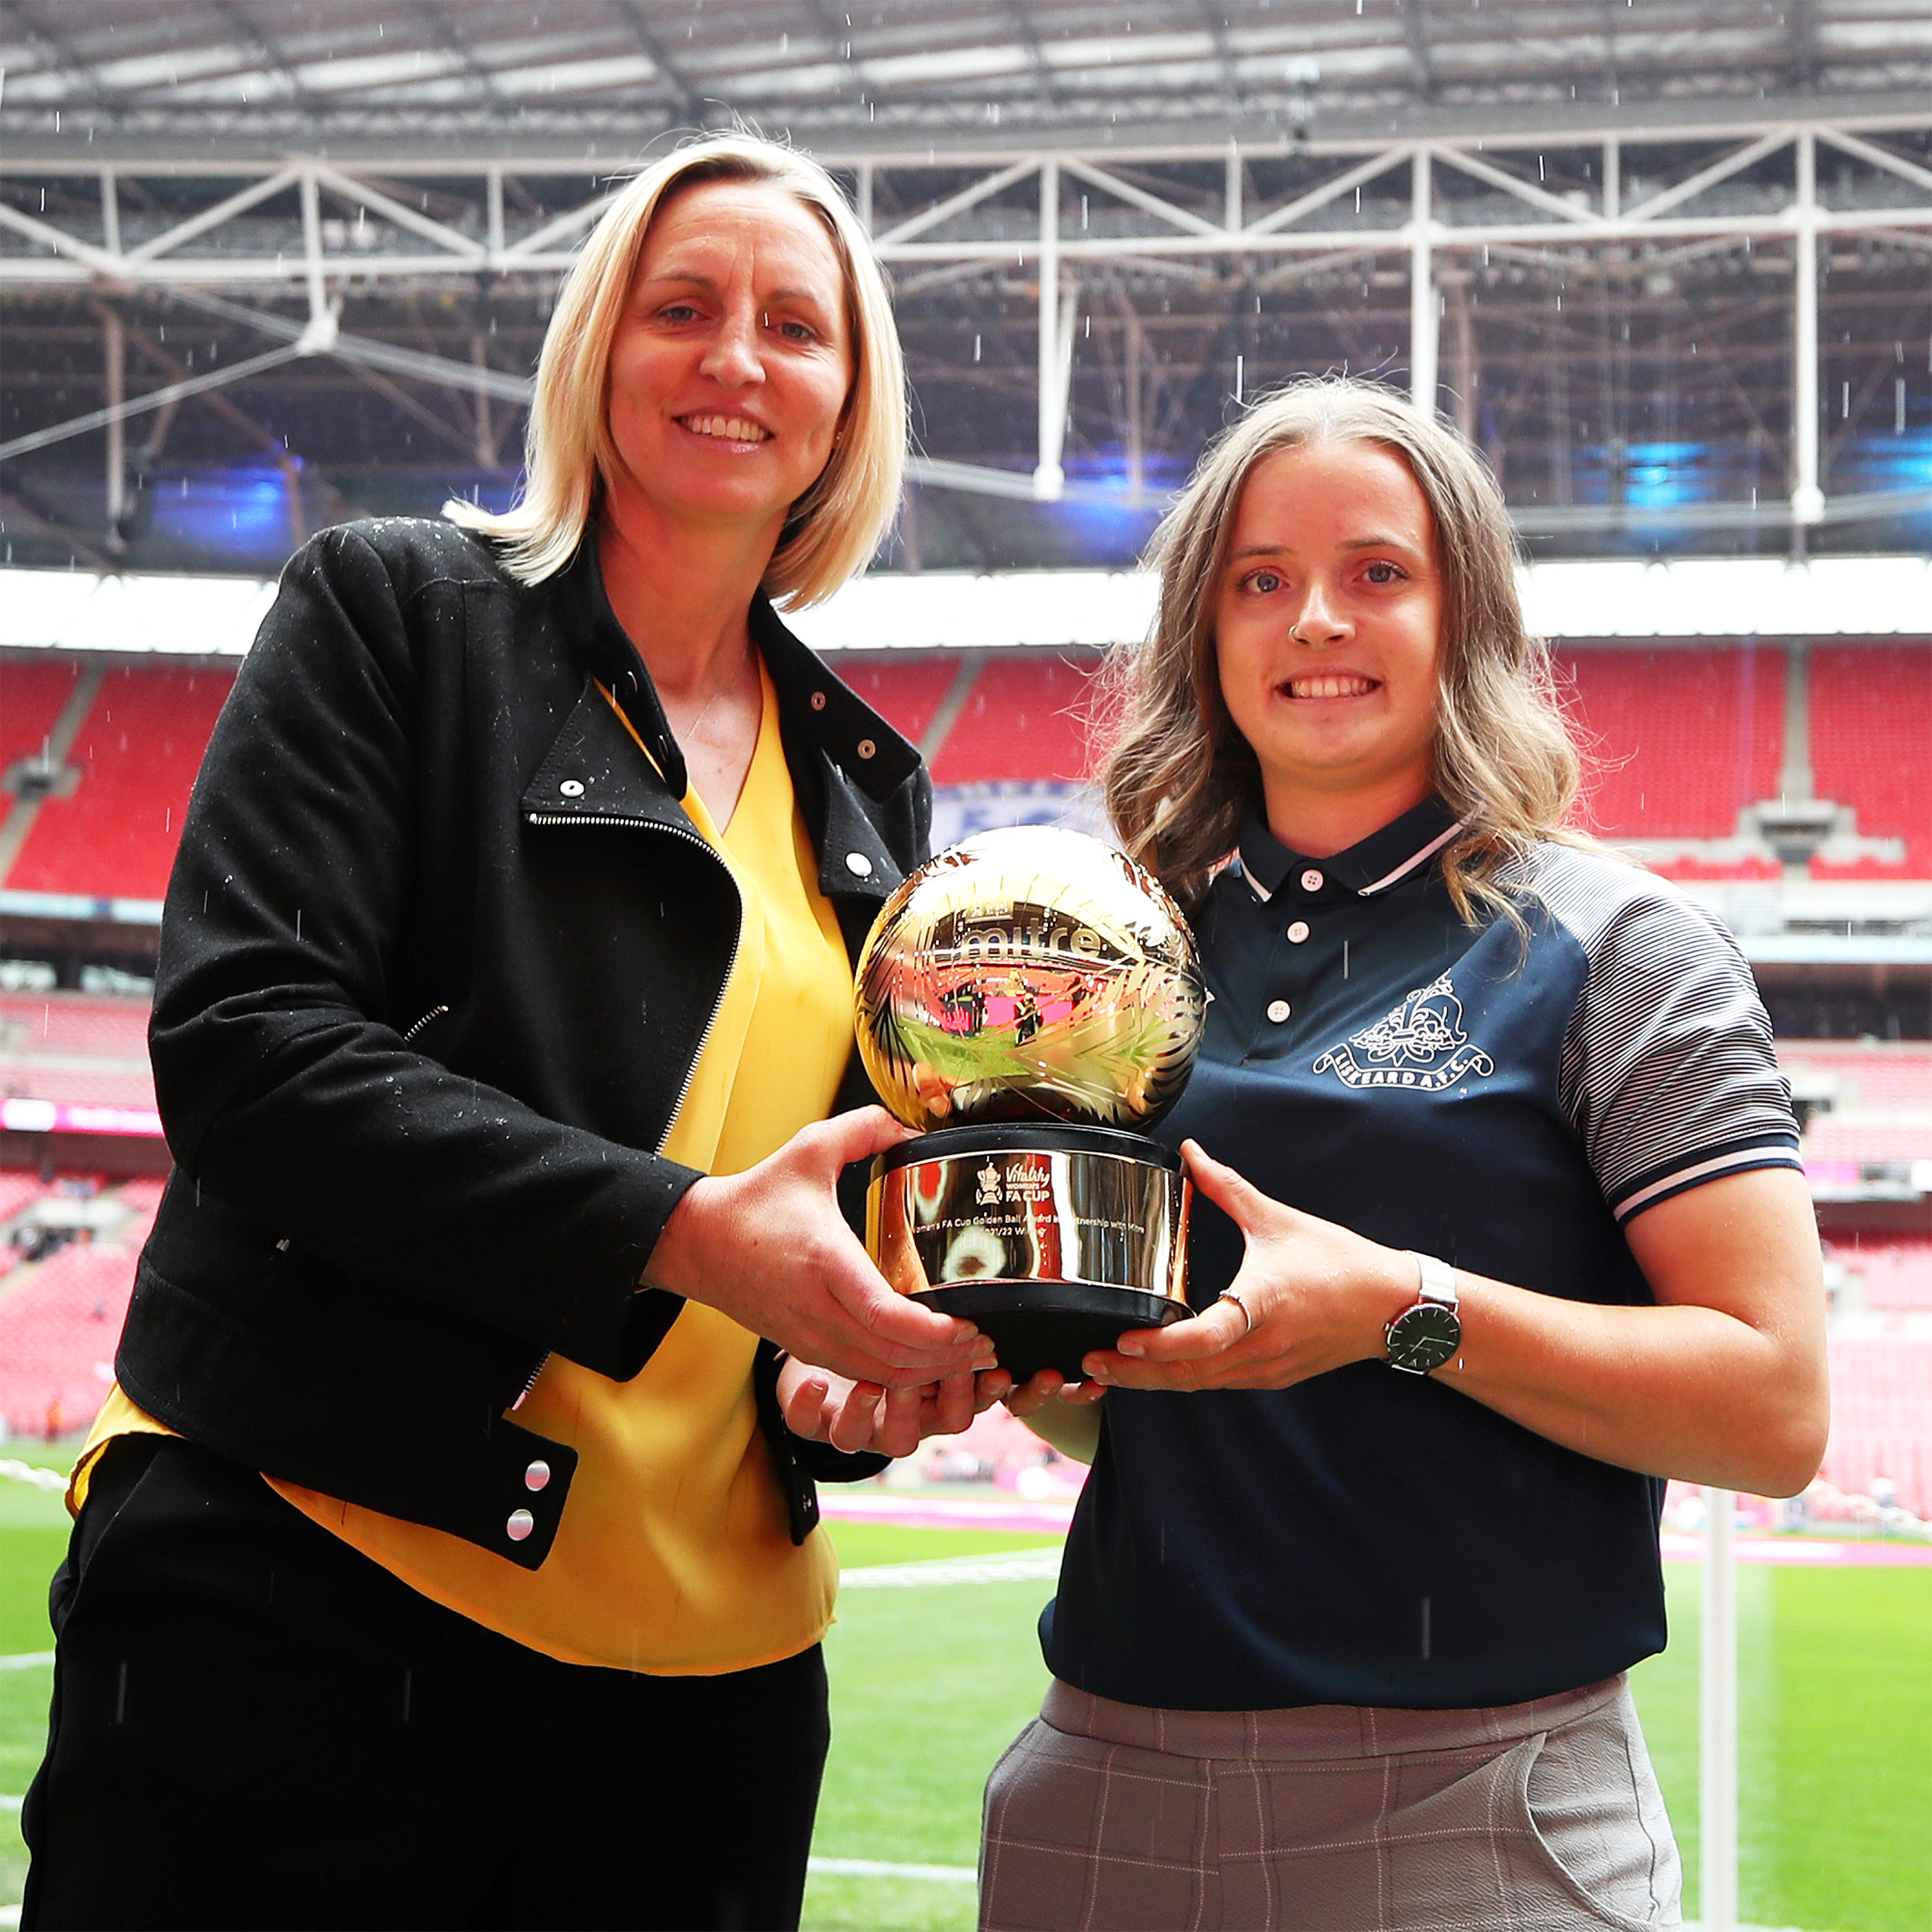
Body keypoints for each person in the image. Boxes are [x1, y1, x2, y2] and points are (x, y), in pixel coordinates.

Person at [23, 132, 1001, 1932]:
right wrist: (687, 1234)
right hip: (309, 1610)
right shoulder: (395, 613)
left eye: (797, 326)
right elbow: (249, 1051)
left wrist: (854, 1385)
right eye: (682, 307)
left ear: (851, 403)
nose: (735, 359)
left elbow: (822, 1252)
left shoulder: (872, 788)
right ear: (595, 349)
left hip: (709, 1712)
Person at [981, 377, 1829, 1931]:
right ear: (1206, 632)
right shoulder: (1107, 957)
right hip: (1102, 1772)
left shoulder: (1619, 947)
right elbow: (1155, 1428)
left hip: (1478, 1803)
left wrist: (1400, 1309)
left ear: (1466, 621)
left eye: (1378, 571)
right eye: (1261, 579)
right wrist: (1020, 1361)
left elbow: (1773, 1409)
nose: (1315, 618)